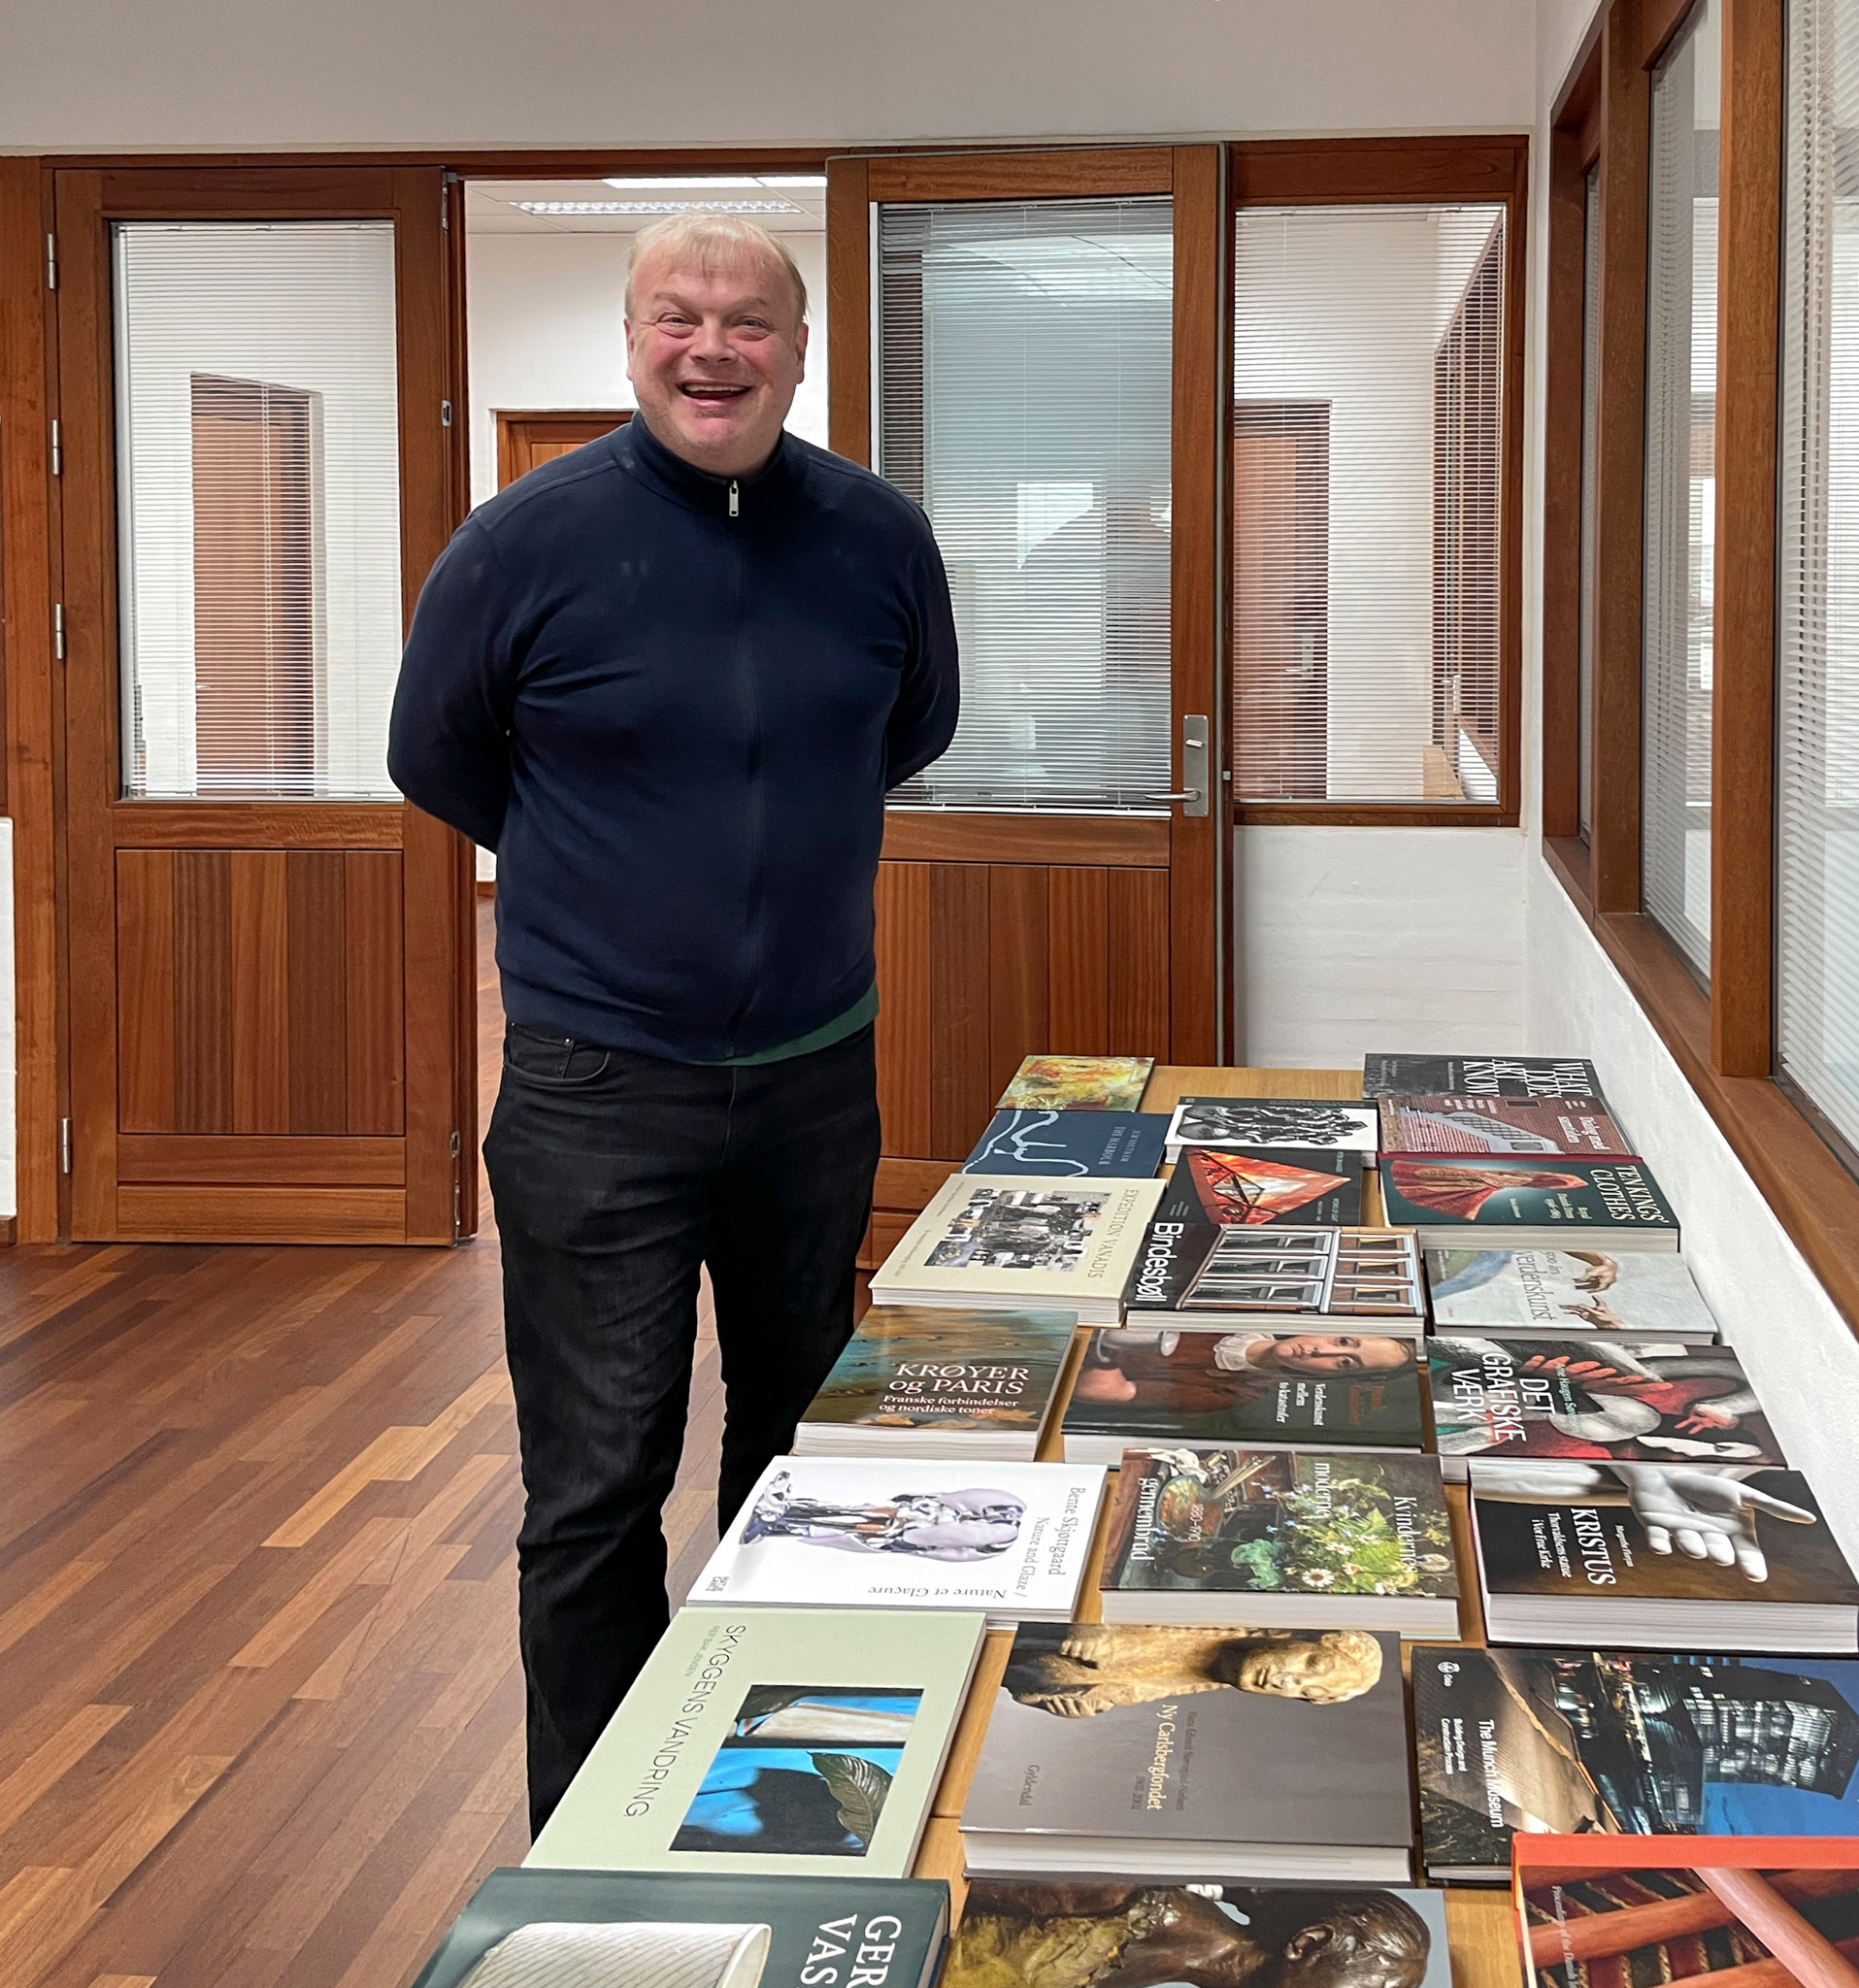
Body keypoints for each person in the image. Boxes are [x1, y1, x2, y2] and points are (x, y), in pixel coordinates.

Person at [386, 211, 960, 1835]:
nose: (712, 349)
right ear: (632, 338)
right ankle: (596, 1854)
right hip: (592, 1086)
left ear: (799, 345)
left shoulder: (877, 537)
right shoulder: (523, 541)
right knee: (594, 1490)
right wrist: (612, 874)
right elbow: (436, 756)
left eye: (747, 320)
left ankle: (790, 1813)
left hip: (811, 1079)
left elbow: (909, 726)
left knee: (804, 1461)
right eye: (677, 317)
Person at [1001, 1622, 1385, 1715]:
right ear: (1300, 1636)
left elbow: (1017, 1684)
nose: (1287, 1680)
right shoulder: (1202, 1618)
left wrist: (1069, 1702)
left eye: (1304, 1691)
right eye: (1312, 1663)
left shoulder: (1192, 1683)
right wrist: (1084, 1625)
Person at [1070, 1330, 1414, 1414]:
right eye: (1342, 1341)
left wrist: (1107, 1349)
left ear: (1333, 1378)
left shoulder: (1239, 1392)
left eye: (1344, 1363)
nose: (1321, 1350)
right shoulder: (1250, 1305)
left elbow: (1107, 1392)